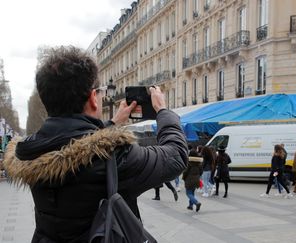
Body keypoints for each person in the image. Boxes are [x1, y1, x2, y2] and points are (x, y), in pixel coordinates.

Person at [2, 46, 188, 242]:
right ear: (93, 98)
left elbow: (71, 142)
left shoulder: (30, 151)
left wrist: (113, 123)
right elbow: (176, 156)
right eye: (100, 92)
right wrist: (163, 111)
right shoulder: (113, 157)